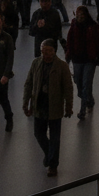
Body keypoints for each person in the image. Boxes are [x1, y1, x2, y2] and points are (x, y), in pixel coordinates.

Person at [22, 39, 74, 177]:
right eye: (43, 50)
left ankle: (53, 165)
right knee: (38, 134)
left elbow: (68, 88)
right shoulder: (36, 63)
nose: (46, 53)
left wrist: (69, 106)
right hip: (39, 105)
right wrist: (25, 102)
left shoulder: (62, 66)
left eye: (49, 50)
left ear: (54, 51)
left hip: (55, 107)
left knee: (55, 138)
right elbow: (28, 83)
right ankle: (49, 154)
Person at [64, 6, 99, 120]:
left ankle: (82, 110)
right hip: (77, 59)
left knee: (86, 84)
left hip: (90, 60)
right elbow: (70, 40)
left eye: (82, 15)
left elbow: (98, 42)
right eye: (78, 15)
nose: (80, 17)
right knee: (78, 81)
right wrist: (68, 54)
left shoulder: (93, 26)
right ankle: (89, 100)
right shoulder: (74, 25)